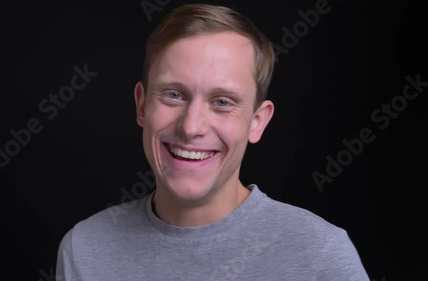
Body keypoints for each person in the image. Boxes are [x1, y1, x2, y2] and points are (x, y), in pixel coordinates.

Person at [55, 3, 369, 280]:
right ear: (141, 106)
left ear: (257, 122)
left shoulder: (320, 254)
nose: (191, 127)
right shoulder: (84, 249)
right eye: (174, 95)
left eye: (222, 102)